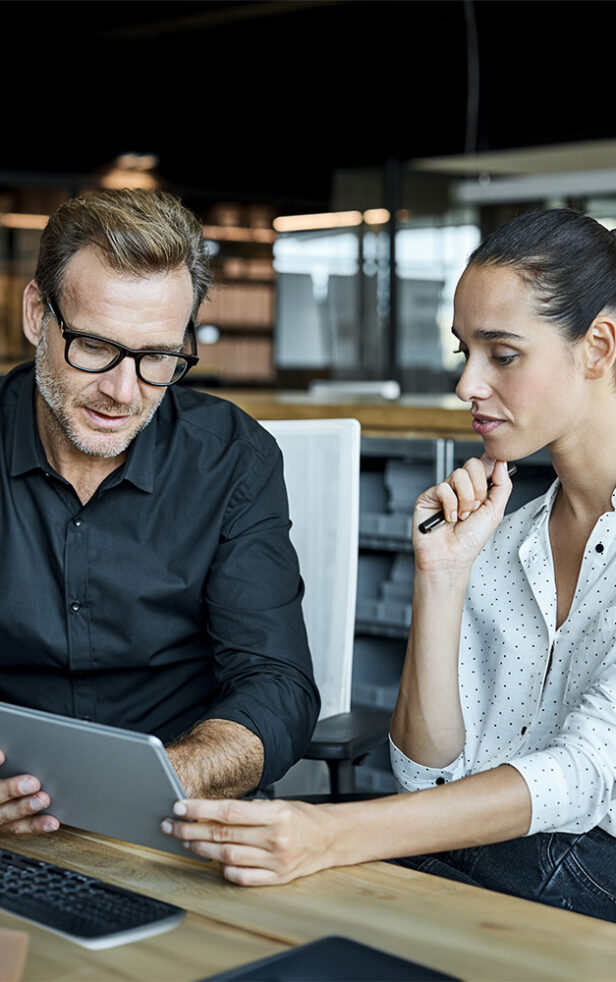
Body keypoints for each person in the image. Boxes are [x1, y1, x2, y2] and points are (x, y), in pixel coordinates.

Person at [163, 208, 616, 922]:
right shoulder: (507, 538)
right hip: (493, 867)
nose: (467, 384)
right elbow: (425, 775)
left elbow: (586, 776)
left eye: (502, 354)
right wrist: (440, 578)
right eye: (463, 350)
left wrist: (334, 833)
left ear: (598, 345)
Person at [0, 188, 319, 835]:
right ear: (38, 314)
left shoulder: (232, 458)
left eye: (157, 359)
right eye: (93, 346)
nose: (122, 391)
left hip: (179, 819)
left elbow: (277, 688)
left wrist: (160, 780)